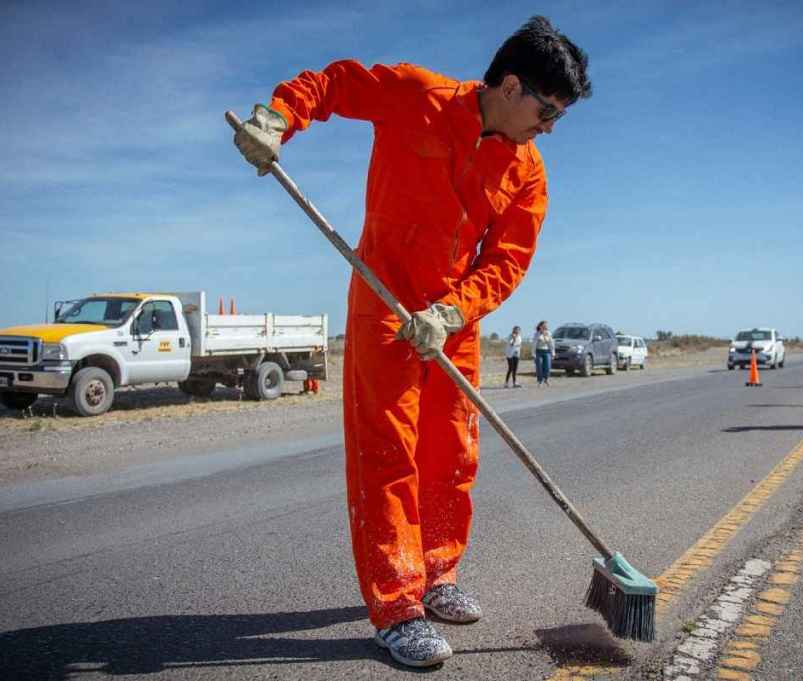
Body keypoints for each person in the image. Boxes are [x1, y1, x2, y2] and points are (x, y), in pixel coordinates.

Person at [234, 16, 590, 668]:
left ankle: (438, 573)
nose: (549, 127)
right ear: (510, 85)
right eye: (546, 110)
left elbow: (507, 261)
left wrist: (454, 311)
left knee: (451, 452)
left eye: (558, 117)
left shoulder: (528, 171)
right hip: (384, 307)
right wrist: (278, 117)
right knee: (388, 452)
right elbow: (337, 84)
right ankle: (397, 604)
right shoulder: (418, 96)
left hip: (452, 324)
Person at [533, 320, 555, 385]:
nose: (545, 326)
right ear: (540, 326)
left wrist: (553, 353)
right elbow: (534, 344)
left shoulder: (549, 333)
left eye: (546, 325)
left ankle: (546, 379)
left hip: (547, 351)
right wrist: (533, 353)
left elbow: (551, 344)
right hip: (538, 351)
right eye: (543, 325)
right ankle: (540, 380)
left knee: (547, 366)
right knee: (539, 366)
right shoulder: (537, 334)